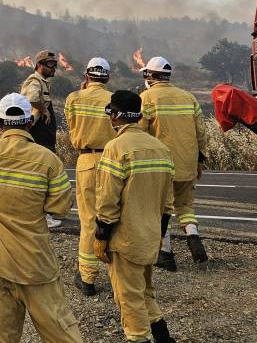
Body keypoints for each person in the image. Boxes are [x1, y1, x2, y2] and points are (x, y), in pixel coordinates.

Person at [0, 93, 82, 343]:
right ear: (30, 124)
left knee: (1, 337)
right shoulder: (48, 161)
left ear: (0, 124)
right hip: (35, 265)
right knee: (62, 334)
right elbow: (59, 208)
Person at [94, 90, 178, 343]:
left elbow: (108, 200)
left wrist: (101, 235)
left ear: (116, 116)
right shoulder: (161, 148)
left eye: (111, 113)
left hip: (126, 239)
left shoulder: (116, 148)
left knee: (128, 296)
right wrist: (160, 232)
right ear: (139, 116)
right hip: (151, 237)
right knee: (145, 292)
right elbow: (168, 202)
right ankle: (164, 338)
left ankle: (137, 337)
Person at [139, 56, 210, 270]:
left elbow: (139, 132)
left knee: (160, 209)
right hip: (187, 163)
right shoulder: (188, 97)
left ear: (150, 76)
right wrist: (200, 160)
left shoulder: (146, 98)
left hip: (160, 166)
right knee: (185, 206)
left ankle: (166, 254)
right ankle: (193, 237)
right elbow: (201, 133)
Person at [62, 57, 116, 296]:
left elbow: (72, 128)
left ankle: (87, 277)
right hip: (115, 160)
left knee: (88, 220)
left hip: (86, 160)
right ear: (107, 78)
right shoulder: (115, 99)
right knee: (114, 217)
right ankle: (119, 276)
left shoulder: (74, 98)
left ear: (86, 76)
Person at [21, 50, 62, 228]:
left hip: (43, 135)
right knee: (41, 174)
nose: (54, 68)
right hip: (38, 134)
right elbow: (32, 98)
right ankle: (42, 216)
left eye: (55, 64)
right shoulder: (35, 81)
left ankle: (41, 212)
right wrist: (44, 110)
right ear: (39, 65)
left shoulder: (43, 82)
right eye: (50, 64)